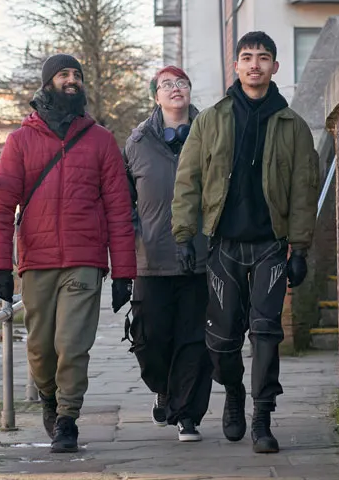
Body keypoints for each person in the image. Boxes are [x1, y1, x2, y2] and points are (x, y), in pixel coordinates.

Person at [171, 32, 320, 454]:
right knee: (220, 341)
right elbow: (188, 182)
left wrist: (301, 249)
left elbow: (303, 190)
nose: (255, 64)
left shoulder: (292, 126)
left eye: (263, 58)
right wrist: (184, 237)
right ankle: (233, 392)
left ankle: (262, 417)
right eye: (247, 57)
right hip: (225, 247)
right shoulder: (211, 120)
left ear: (275, 67)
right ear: (235, 66)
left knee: (267, 332)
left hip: (270, 247)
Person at [0, 54, 137, 454]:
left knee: (73, 344)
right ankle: (50, 399)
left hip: (85, 260)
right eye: (63, 74)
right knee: (41, 347)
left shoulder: (101, 140)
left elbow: (120, 211)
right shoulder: (20, 141)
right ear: (48, 83)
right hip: (37, 260)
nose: (71, 80)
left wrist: (123, 272)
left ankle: (68, 417)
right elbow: (0, 207)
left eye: (77, 75)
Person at [123, 66, 212, 443]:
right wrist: (136, 233)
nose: (176, 89)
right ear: (155, 97)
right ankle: (165, 388)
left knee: (195, 338)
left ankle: (187, 413)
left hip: (202, 256)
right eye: (166, 85)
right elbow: (123, 199)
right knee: (151, 339)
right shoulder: (138, 141)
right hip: (153, 257)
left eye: (182, 83)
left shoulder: (211, 134)